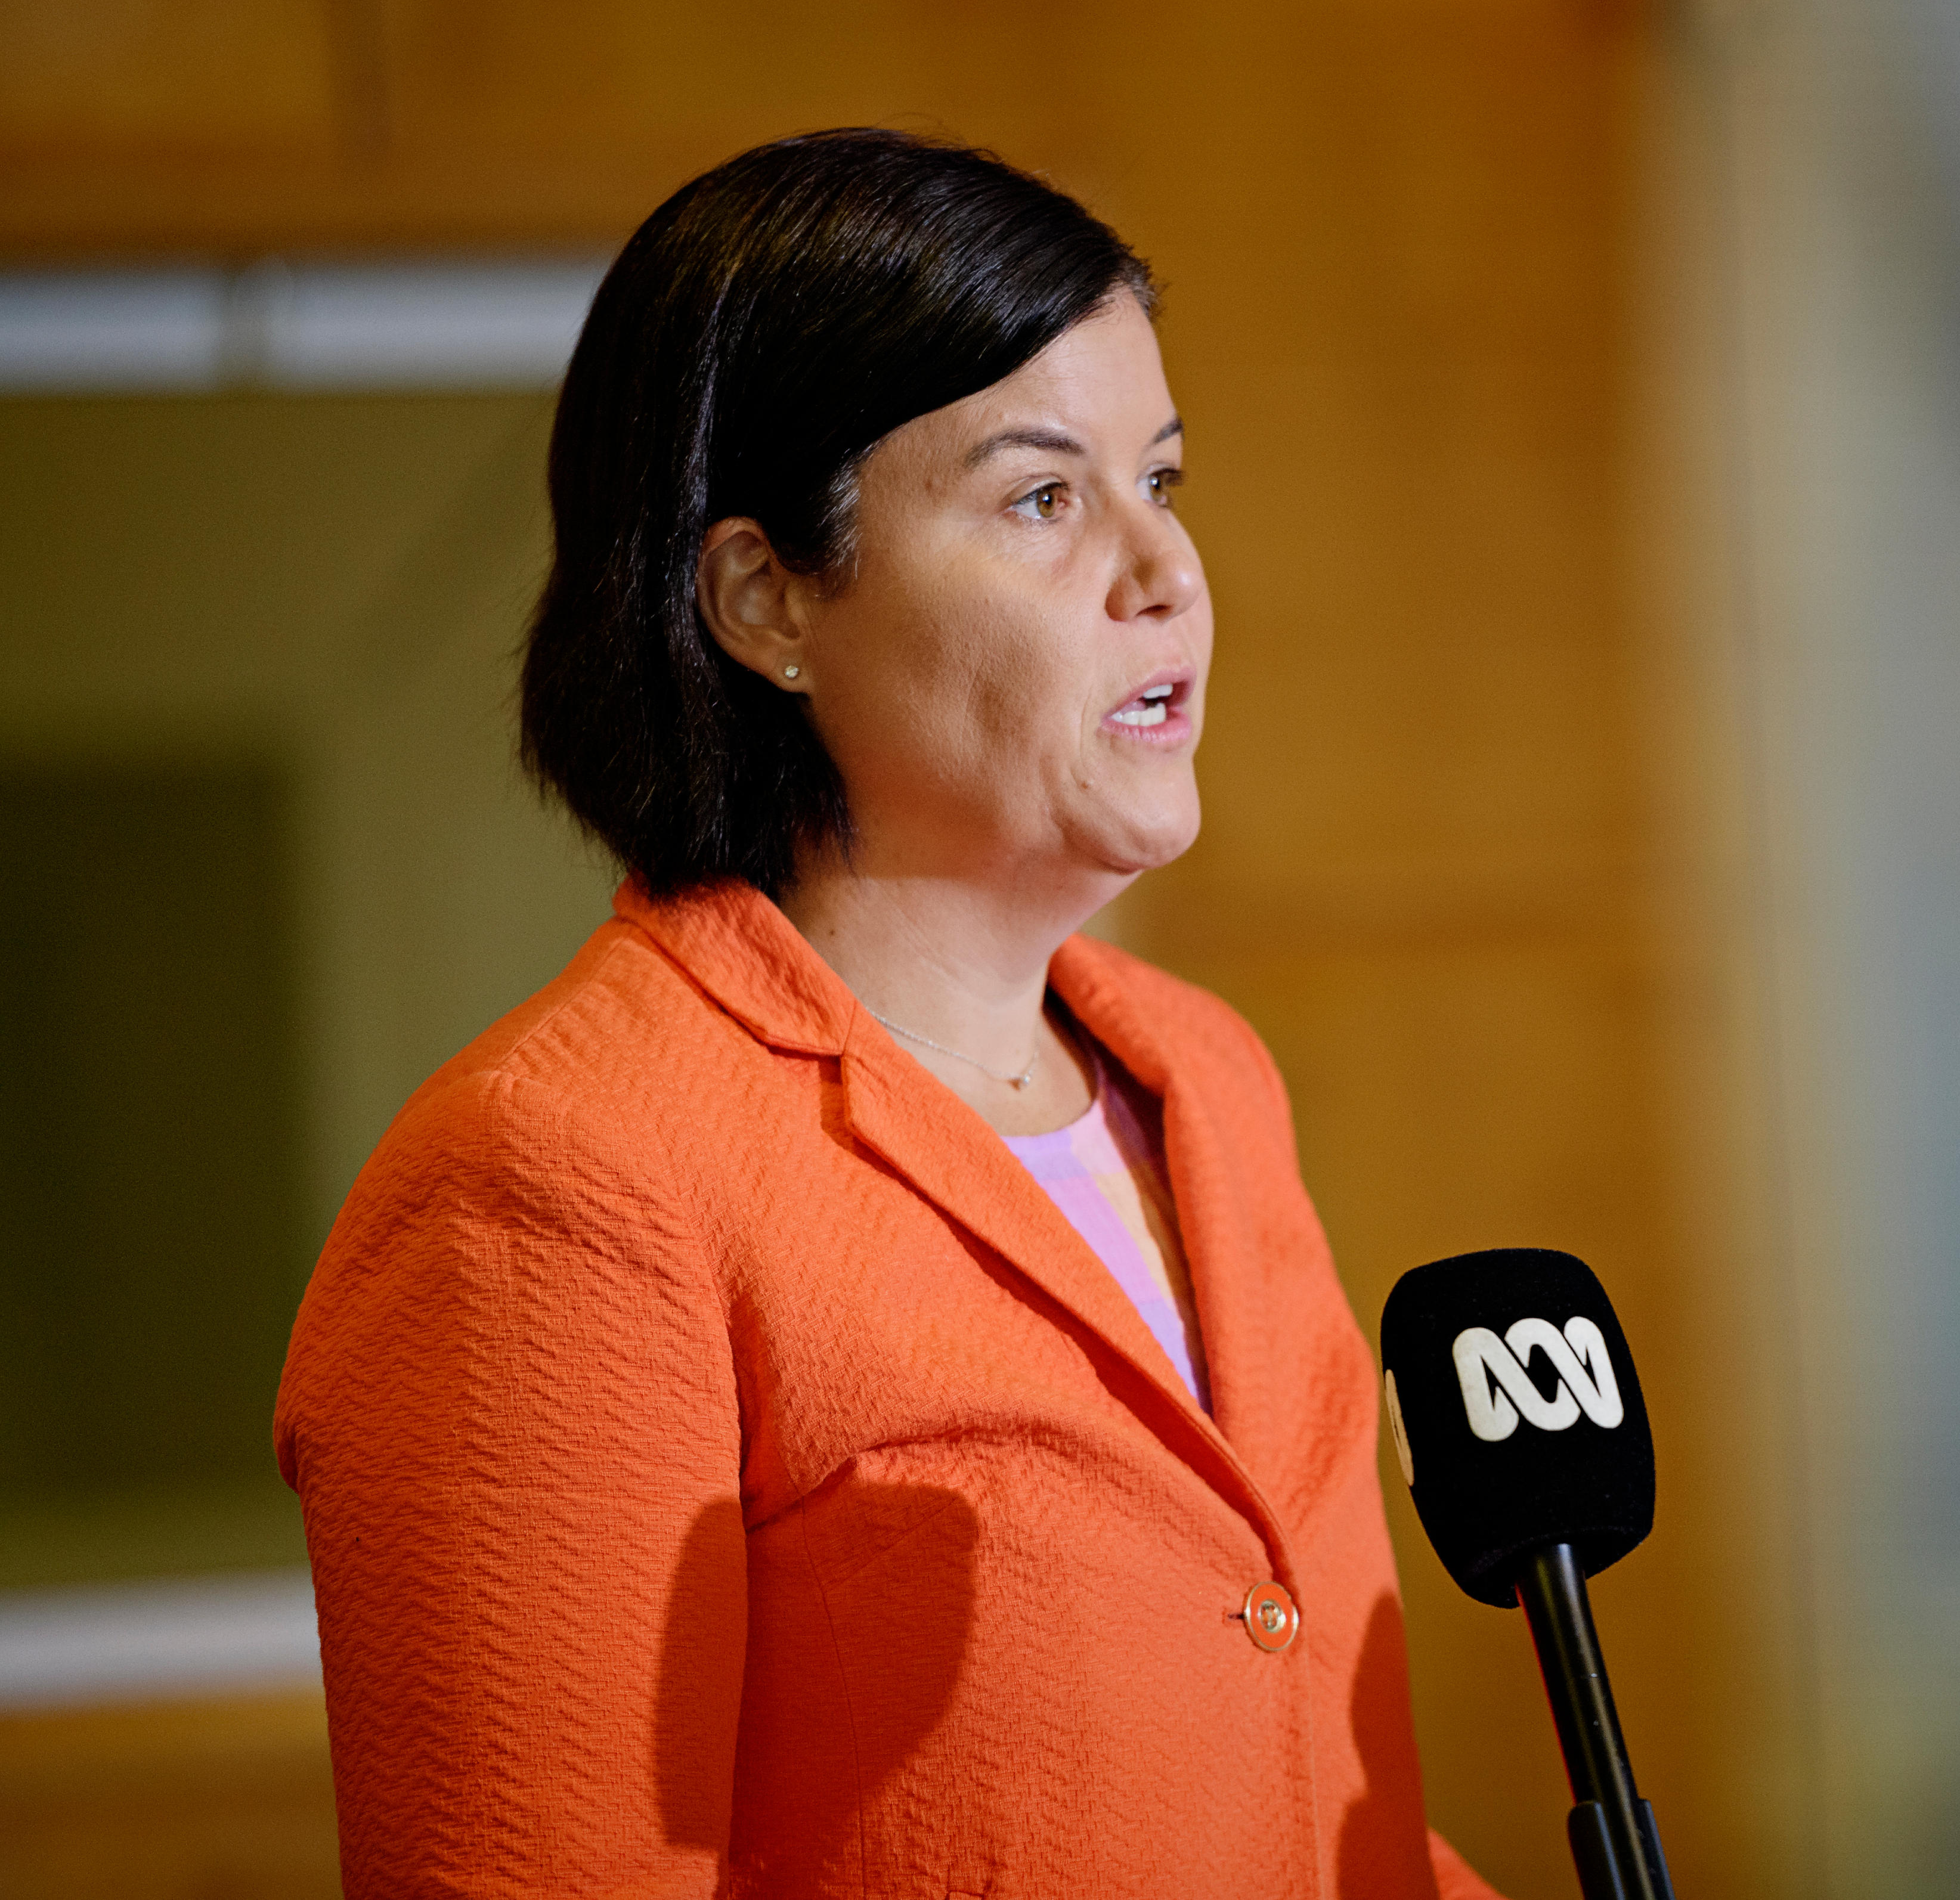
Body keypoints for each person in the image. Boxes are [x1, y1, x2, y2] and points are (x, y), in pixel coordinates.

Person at [275, 128, 1502, 1899]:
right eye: (1043, 496)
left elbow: (1317, 1802)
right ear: (767, 599)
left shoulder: (1207, 1082)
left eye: (1163, 477)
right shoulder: (555, 1186)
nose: (1166, 575)